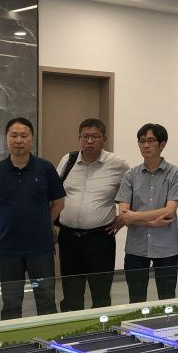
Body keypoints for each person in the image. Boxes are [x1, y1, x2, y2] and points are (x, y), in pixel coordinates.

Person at [0, 117, 66, 320]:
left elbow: (58, 203)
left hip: (41, 248)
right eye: (14, 136)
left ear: (31, 139)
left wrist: (44, 223)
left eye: (24, 135)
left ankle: (48, 337)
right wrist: (1, 225)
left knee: (46, 300)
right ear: (6, 139)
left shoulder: (45, 168)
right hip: (8, 248)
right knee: (11, 302)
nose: (19, 140)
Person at [56, 118, 130, 311]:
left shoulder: (118, 164)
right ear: (79, 138)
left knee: (101, 291)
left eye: (95, 137)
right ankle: (72, 325)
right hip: (69, 237)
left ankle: (101, 326)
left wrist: (123, 218)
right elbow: (53, 193)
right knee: (71, 291)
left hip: (100, 238)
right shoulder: (68, 160)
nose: (89, 141)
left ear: (104, 139)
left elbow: (133, 193)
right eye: (85, 137)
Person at [116, 123, 178, 303]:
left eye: (150, 141)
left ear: (162, 144)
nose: (145, 145)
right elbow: (124, 214)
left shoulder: (175, 174)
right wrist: (150, 222)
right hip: (136, 247)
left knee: (167, 299)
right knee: (136, 299)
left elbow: (169, 211)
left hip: (166, 247)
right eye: (142, 141)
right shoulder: (130, 175)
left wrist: (134, 216)